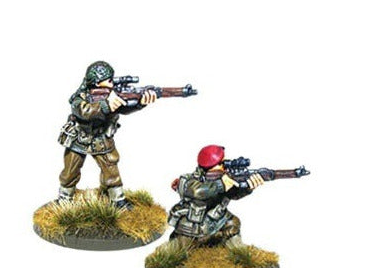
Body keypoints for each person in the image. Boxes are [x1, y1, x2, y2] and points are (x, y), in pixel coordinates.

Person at [57, 60, 157, 209]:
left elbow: (123, 108)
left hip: (102, 139)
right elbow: (84, 111)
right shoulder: (80, 98)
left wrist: (140, 103)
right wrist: (106, 105)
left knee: (111, 170)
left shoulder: (113, 94)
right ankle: (65, 197)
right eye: (108, 80)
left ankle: (118, 200)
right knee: (70, 171)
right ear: (97, 82)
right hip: (78, 139)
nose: (112, 82)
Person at [167, 144, 266, 247]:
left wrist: (248, 187)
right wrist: (221, 184)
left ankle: (236, 251)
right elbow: (198, 191)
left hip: (216, 217)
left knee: (233, 223)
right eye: (222, 163)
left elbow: (233, 194)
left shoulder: (224, 177)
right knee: (180, 248)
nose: (225, 167)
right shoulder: (190, 180)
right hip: (191, 224)